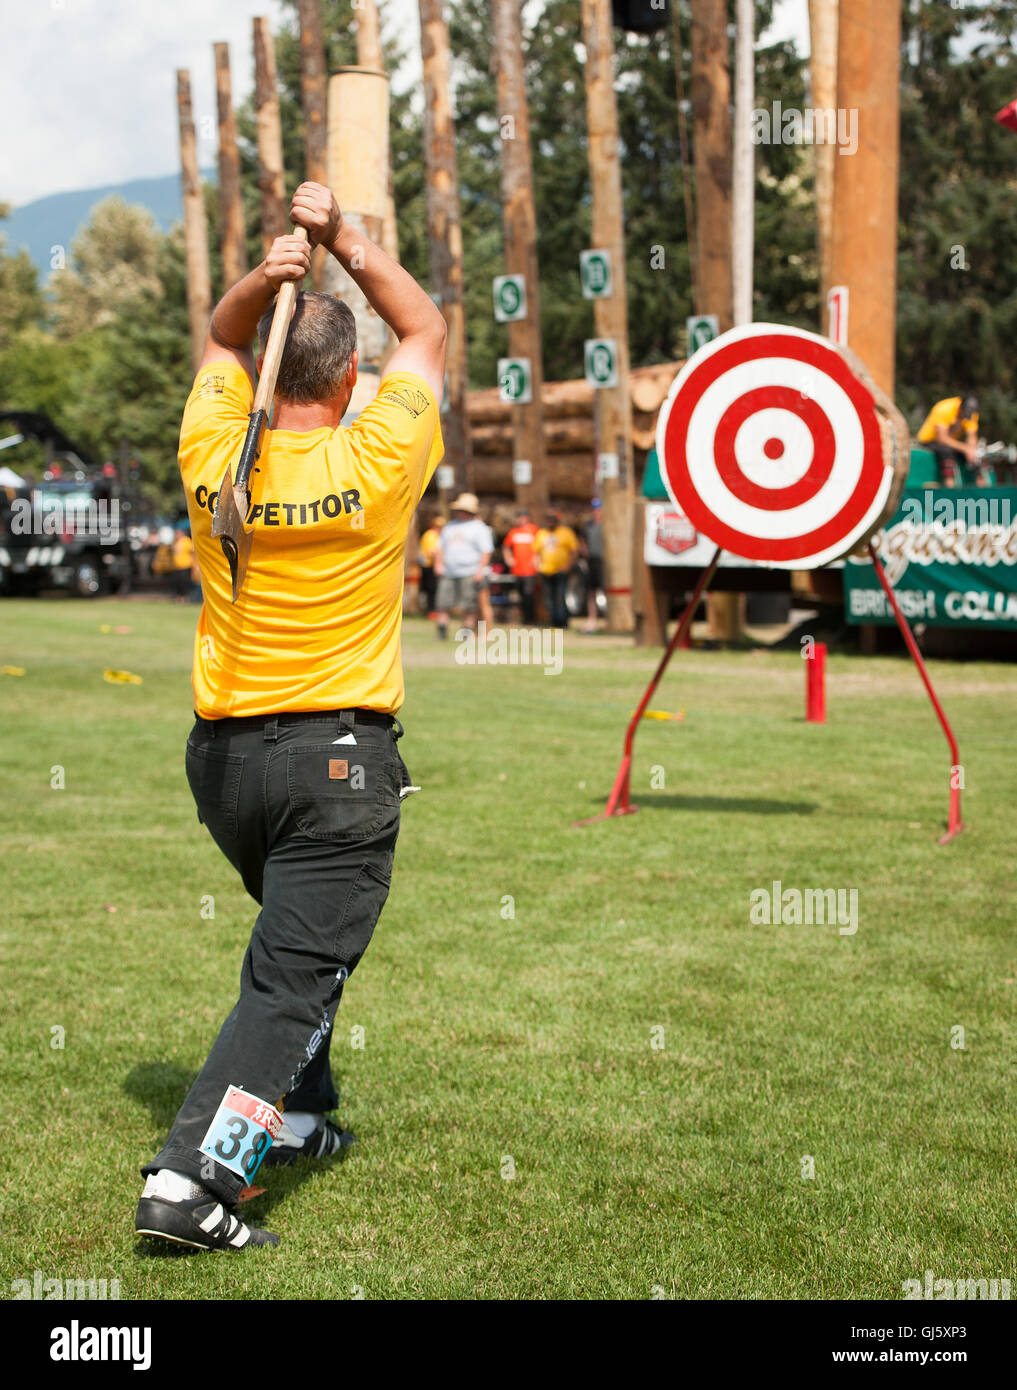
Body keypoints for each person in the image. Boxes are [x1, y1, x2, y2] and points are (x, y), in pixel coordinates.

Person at [134, 180, 446, 1252]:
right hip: (337, 765)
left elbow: (221, 345)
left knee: (296, 951)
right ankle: (193, 1182)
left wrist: (260, 282)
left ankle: (301, 1117)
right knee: (293, 975)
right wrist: (345, 239)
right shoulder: (378, 454)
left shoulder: (215, 451)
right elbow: (427, 324)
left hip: (224, 768)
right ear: (350, 377)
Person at [432, 493, 493, 639]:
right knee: (442, 603)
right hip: (449, 571)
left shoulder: (479, 527)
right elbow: (440, 547)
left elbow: (486, 551)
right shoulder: (450, 526)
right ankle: (442, 631)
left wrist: (480, 570)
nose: (461, 512)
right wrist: (438, 564)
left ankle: (466, 631)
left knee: (469, 605)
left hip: (470, 571)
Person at [917, 393, 979, 488]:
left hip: (950, 443)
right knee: (946, 452)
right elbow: (941, 438)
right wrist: (965, 448)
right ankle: (949, 488)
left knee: (977, 457)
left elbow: (972, 436)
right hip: (930, 440)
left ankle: (980, 488)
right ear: (960, 407)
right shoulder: (944, 408)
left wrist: (972, 451)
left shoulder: (971, 413)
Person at [534, 509, 578, 629]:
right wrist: (537, 566)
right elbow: (536, 552)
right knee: (548, 598)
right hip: (546, 570)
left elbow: (573, 551)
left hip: (560, 571)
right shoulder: (542, 533)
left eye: (553, 519)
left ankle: (563, 621)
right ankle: (553, 621)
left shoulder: (566, 532)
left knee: (560, 596)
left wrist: (568, 566)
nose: (550, 522)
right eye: (549, 519)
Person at [502, 508, 539, 624]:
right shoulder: (513, 532)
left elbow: (540, 547)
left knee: (529, 595)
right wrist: (509, 559)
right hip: (517, 570)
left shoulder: (534, 530)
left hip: (530, 570)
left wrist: (537, 560)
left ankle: (530, 618)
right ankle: (522, 618)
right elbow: (506, 547)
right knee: (519, 596)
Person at [579, 499, 604, 634]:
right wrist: (585, 552)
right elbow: (582, 540)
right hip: (592, 561)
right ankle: (592, 619)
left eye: (598, 508)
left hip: (604, 560)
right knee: (591, 591)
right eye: (594, 508)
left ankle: (608, 620)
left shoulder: (607, 524)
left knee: (606, 589)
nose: (596, 511)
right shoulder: (588, 525)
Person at [418, 513, 445, 620]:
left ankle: (432, 610)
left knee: (433, 589)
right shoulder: (431, 535)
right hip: (429, 566)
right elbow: (432, 551)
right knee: (431, 589)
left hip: (431, 565)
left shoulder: (433, 535)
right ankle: (430, 611)